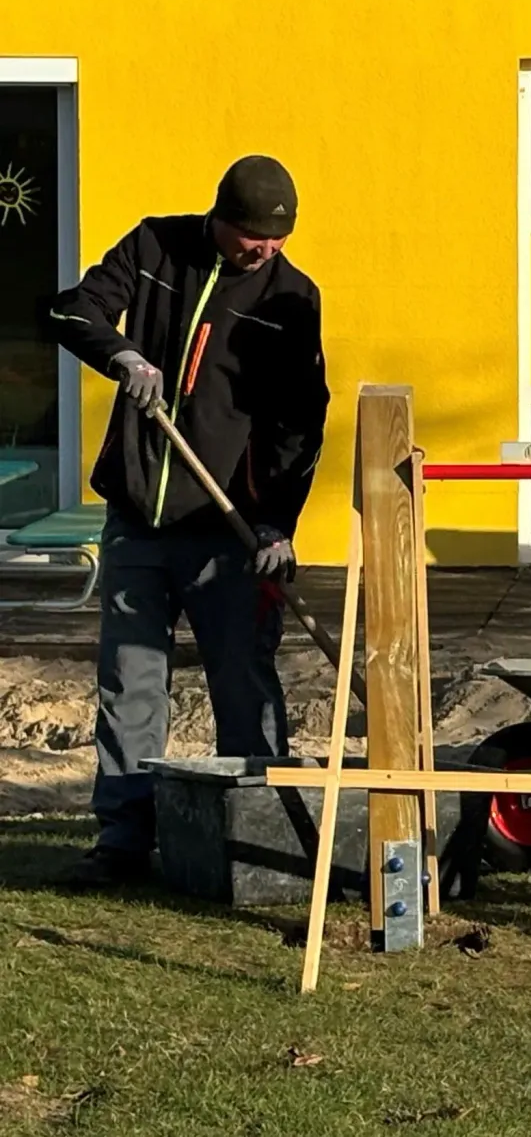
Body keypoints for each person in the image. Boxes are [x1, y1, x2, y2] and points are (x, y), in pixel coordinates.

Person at [47, 155, 329, 888]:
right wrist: (123, 355)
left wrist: (277, 524)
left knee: (243, 681)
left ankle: (261, 840)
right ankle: (124, 841)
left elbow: (300, 424)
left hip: (229, 535)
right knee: (131, 683)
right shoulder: (154, 249)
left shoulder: (291, 296)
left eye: (276, 239)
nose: (263, 250)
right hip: (138, 519)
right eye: (251, 237)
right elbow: (69, 309)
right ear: (220, 219)